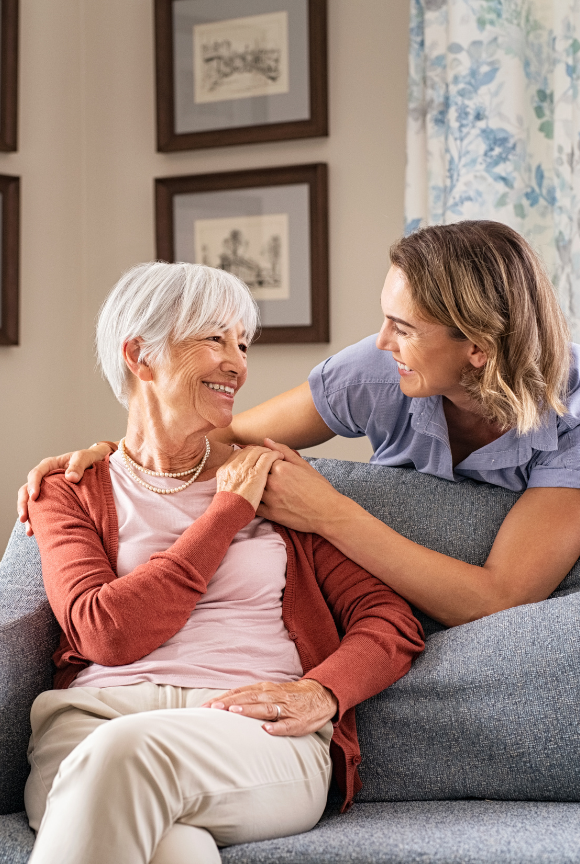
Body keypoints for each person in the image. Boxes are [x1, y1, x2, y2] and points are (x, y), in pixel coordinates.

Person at [24, 262, 424, 864]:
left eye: (242, 343)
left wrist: (322, 691)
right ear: (140, 354)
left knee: (126, 756)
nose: (237, 362)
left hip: (249, 730)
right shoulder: (72, 488)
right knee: (177, 850)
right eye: (214, 338)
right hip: (93, 723)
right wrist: (225, 515)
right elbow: (106, 632)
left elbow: (388, 619)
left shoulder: (278, 482)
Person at [19, 221, 580, 630]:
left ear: (478, 348)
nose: (382, 342)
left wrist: (329, 512)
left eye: (402, 328)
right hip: (382, 601)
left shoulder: (571, 415)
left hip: (505, 618)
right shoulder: (376, 371)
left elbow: (503, 597)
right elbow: (221, 438)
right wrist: (115, 457)